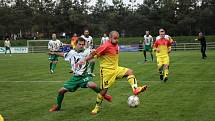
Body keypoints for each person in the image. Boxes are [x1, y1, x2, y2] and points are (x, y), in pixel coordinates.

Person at [77, 31, 148, 115]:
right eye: (115, 38)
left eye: (117, 38)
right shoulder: (105, 46)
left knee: (130, 72)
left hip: (116, 69)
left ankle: (135, 89)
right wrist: (84, 60)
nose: (116, 40)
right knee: (103, 91)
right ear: (110, 38)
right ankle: (97, 107)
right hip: (107, 72)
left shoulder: (116, 45)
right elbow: (94, 54)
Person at [49, 37, 112, 112]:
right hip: (75, 78)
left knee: (92, 85)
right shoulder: (71, 53)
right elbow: (64, 54)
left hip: (85, 76)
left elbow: (95, 52)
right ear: (76, 44)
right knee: (61, 91)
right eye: (80, 44)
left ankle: (104, 95)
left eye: (83, 44)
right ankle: (58, 106)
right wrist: (54, 53)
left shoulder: (87, 51)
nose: (81, 46)